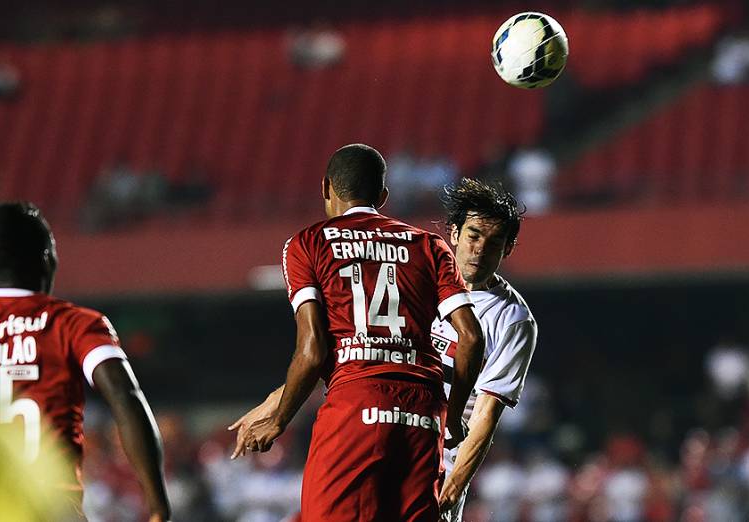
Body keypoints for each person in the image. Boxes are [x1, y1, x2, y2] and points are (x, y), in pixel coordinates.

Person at [229, 144, 485, 521]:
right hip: (423, 412)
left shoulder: (308, 244)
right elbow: (472, 338)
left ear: (325, 188)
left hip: (355, 404)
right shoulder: (429, 245)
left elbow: (313, 350)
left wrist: (280, 419)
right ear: (383, 195)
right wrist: (452, 414)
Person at [0, 202, 171, 521]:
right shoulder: (73, 324)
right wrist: (157, 505)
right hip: (47, 507)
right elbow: (123, 394)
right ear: (47, 258)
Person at [431, 178, 538, 521]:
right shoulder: (419, 283)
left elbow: (485, 414)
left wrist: (453, 484)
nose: (480, 249)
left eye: (494, 242)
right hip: (385, 442)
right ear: (454, 234)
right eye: (474, 236)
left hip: (437, 463)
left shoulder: (512, 319)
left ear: (507, 250)